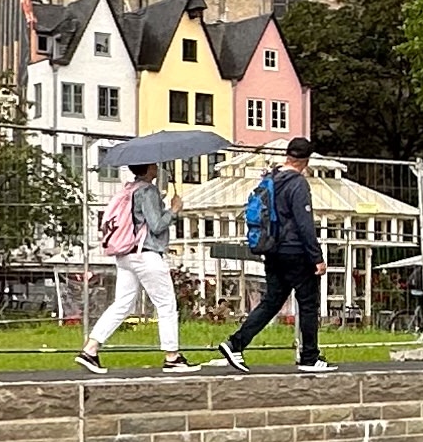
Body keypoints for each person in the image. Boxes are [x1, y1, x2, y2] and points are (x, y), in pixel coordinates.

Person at [217, 138, 328, 371]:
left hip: (272, 250)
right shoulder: (298, 183)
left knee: (272, 301)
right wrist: (316, 257)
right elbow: (304, 223)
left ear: (288, 155)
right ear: (306, 161)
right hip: (295, 251)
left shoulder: (271, 178)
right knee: (308, 303)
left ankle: (235, 343)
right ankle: (309, 357)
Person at [77, 164, 190, 375]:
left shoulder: (129, 189)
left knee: (123, 304)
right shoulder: (148, 191)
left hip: (125, 254)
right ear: (148, 169)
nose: (157, 167)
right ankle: (172, 357)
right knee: (166, 304)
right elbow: (156, 225)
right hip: (145, 254)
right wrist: (173, 210)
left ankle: (90, 349)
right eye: (154, 165)